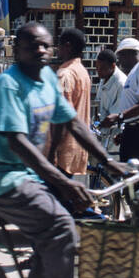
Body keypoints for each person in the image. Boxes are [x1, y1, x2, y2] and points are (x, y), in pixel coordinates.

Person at [0, 23, 127, 278]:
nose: (41, 50)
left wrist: (108, 162)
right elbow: (17, 141)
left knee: (57, 238)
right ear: (17, 50)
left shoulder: (46, 80)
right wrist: (62, 182)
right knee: (61, 226)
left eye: (46, 45)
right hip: (0, 177)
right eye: (33, 45)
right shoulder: (8, 84)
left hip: (27, 176)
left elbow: (74, 124)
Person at [100, 37, 139, 187]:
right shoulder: (133, 73)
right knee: (130, 179)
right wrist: (126, 130)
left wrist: (119, 117)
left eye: (121, 56)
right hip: (134, 129)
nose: (120, 61)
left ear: (129, 53)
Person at [52, 28, 92, 180]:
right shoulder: (82, 72)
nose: (57, 49)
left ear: (67, 46)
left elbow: (61, 118)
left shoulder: (65, 74)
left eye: (59, 45)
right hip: (77, 147)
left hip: (62, 150)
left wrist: (51, 151)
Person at [94, 49, 126, 124]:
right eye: (97, 67)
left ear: (113, 66)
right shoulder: (104, 77)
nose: (98, 70)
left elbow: (115, 115)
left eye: (102, 68)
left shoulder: (121, 83)